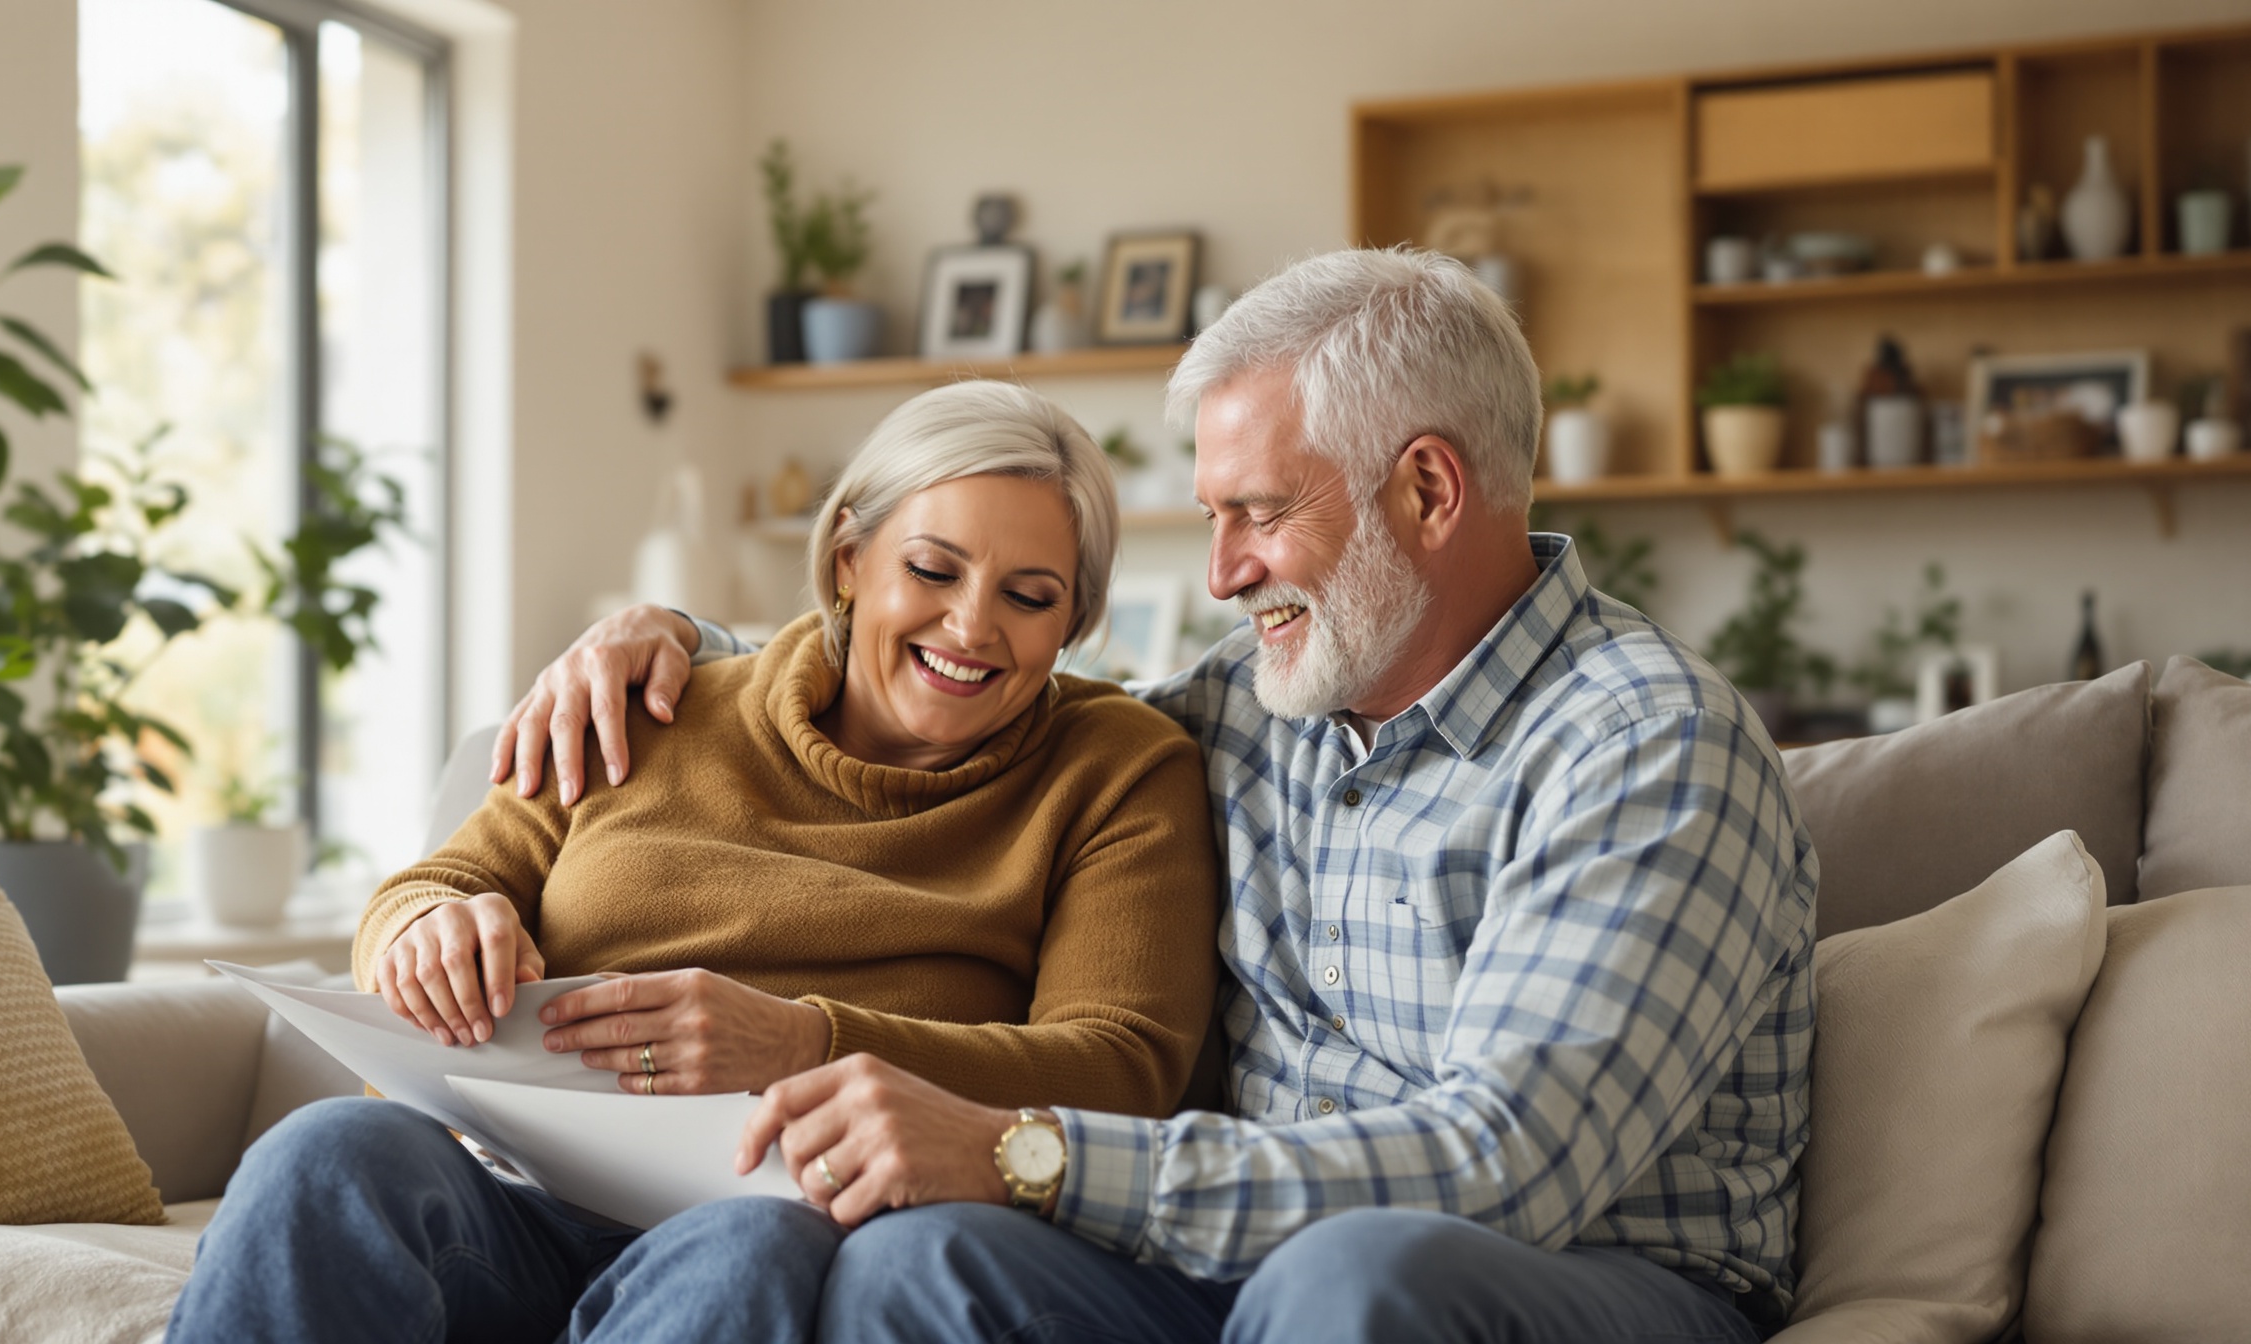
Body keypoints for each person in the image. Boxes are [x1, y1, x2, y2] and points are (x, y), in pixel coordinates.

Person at [495, 247, 1817, 1344]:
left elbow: (1501, 1167)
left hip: (1583, 1277)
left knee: (1349, 1282)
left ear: (1427, 488)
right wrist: (662, 636)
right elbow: (966, 669)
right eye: (1211, 519)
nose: (1227, 572)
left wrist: (1032, 1153)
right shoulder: (1253, 705)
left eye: (1256, 513)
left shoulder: (1647, 747)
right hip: (1242, 1254)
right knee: (925, 1263)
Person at [166, 380, 1224, 1344]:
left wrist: (804, 1043)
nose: (970, 626)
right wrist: (428, 927)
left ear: (1074, 622)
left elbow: (1119, 1064)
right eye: (932, 569)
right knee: (325, 1156)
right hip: (520, 1197)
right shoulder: (645, 703)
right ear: (848, 556)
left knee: (745, 1250)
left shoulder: (1114, 766)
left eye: (1029, 598)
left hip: (784, 1218)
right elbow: (440, 882)